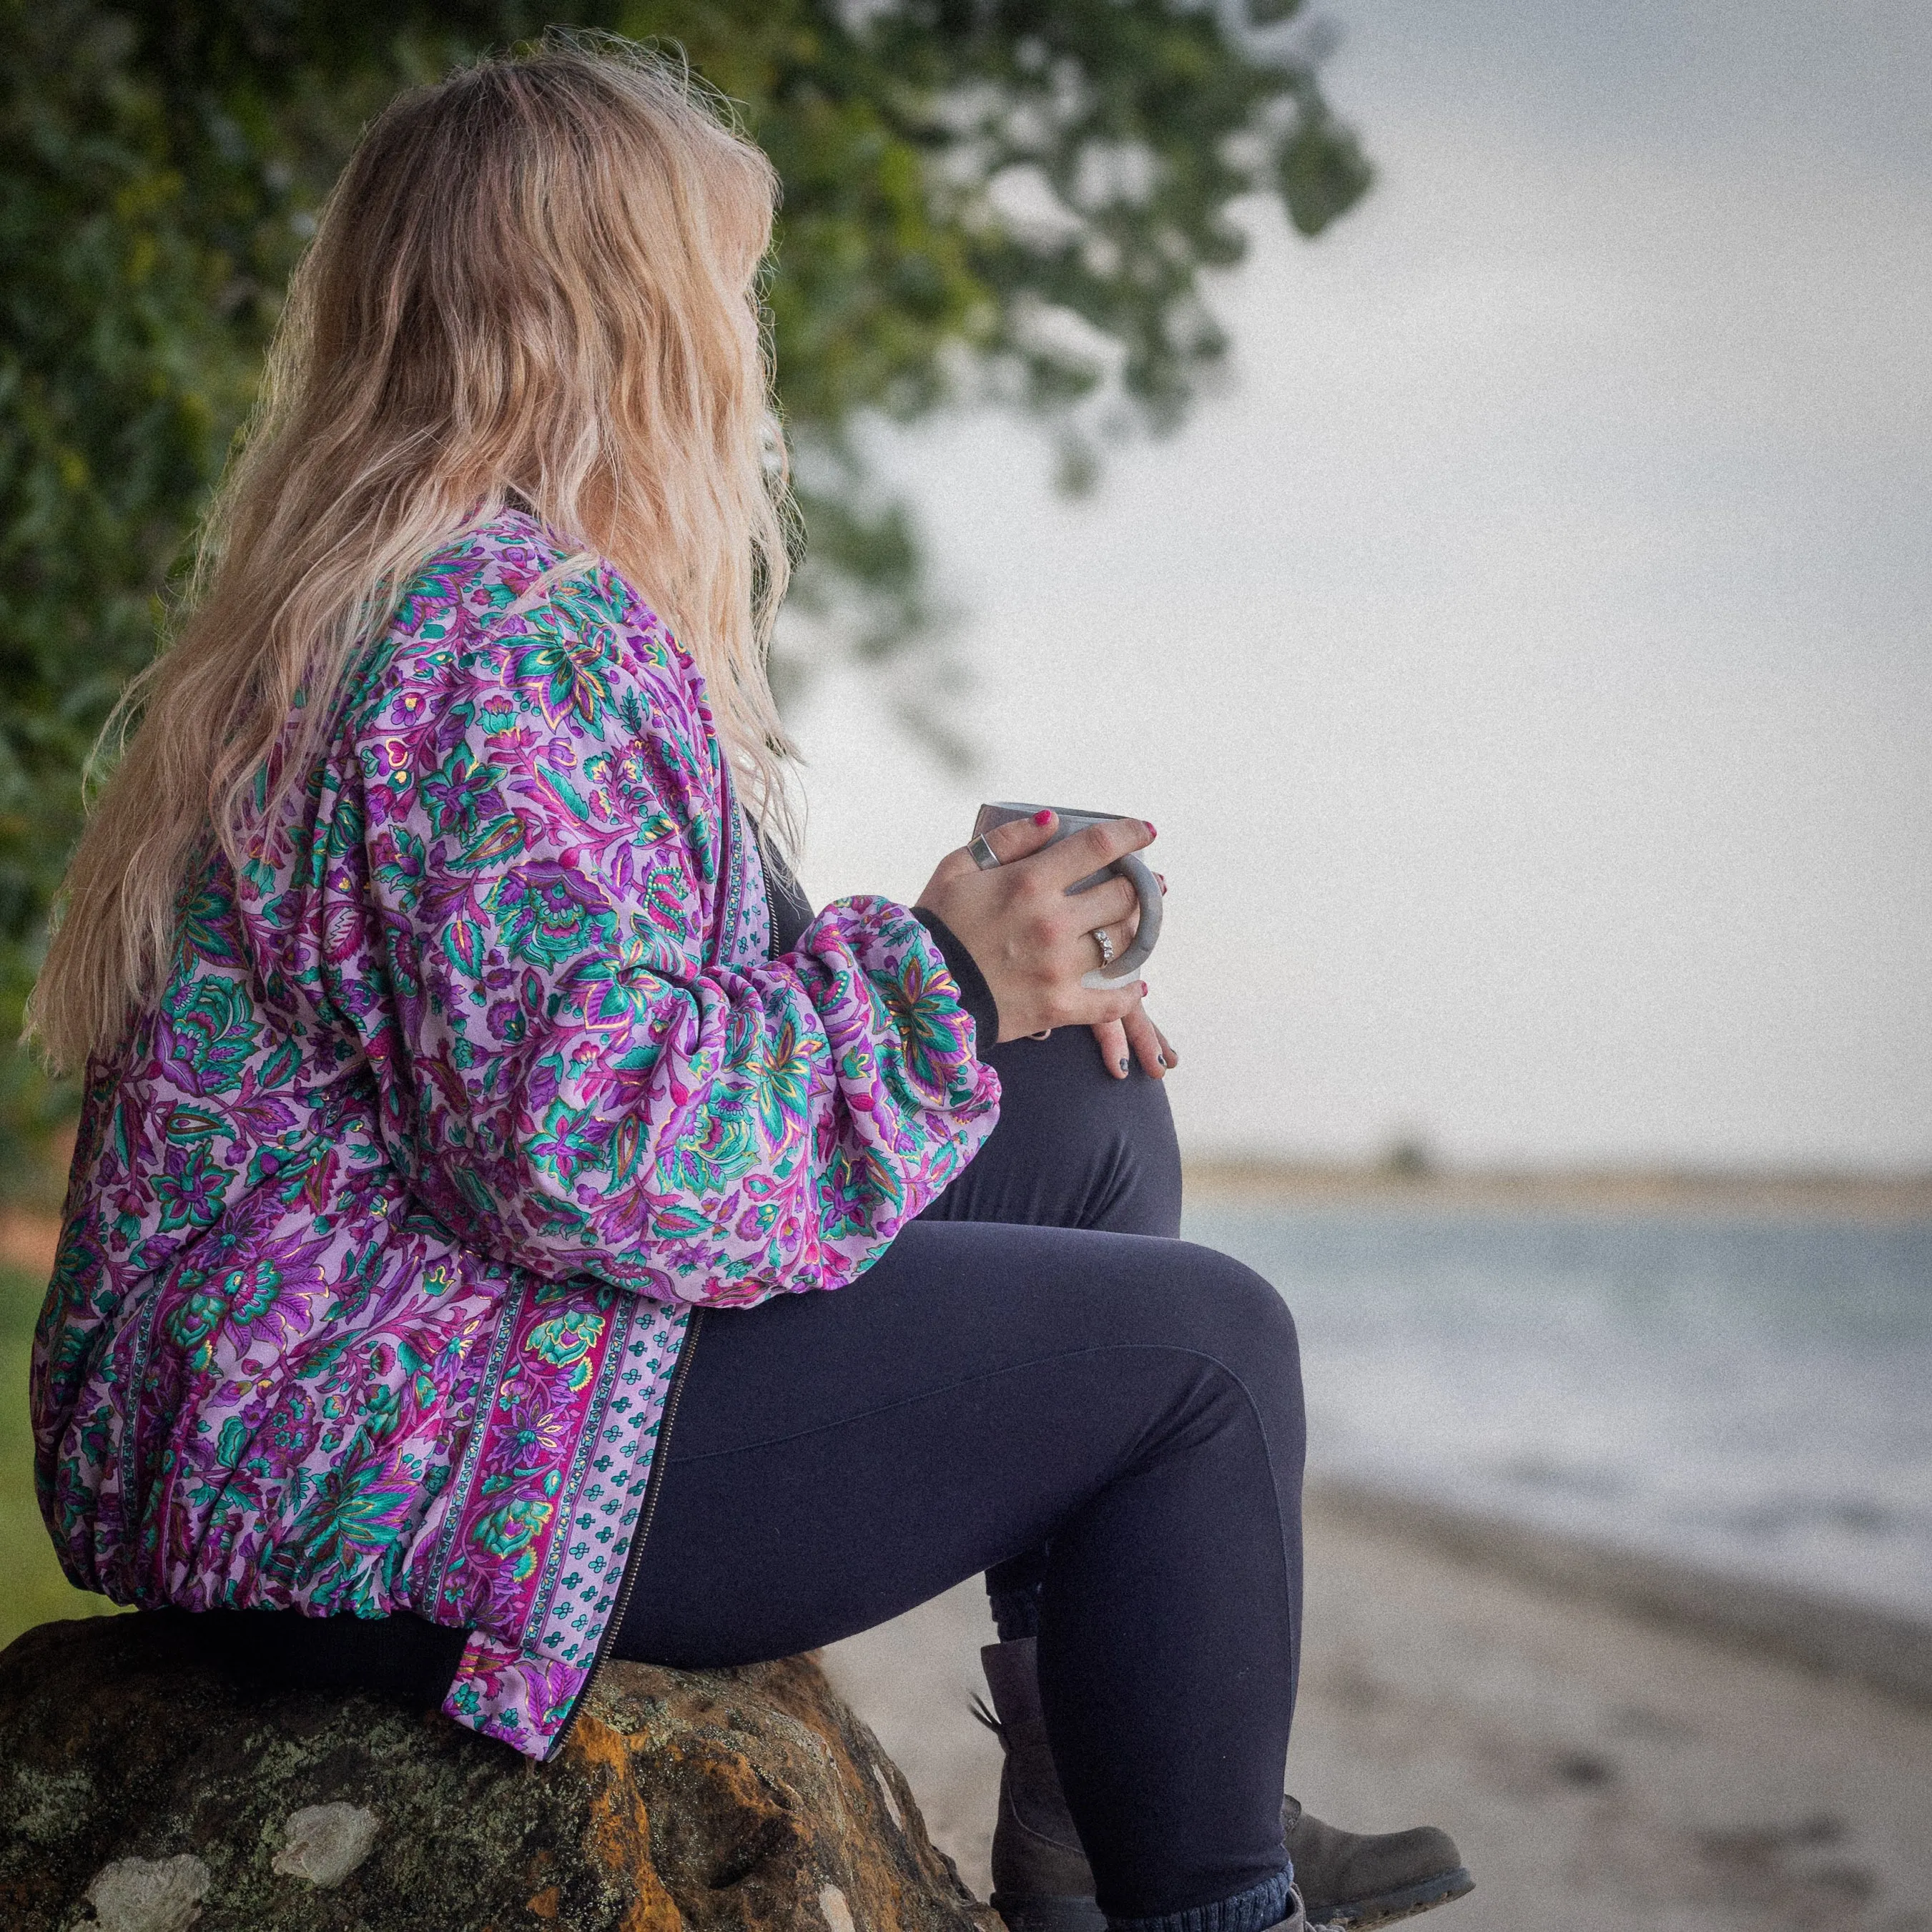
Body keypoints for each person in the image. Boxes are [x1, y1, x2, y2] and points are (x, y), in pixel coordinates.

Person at [26, 40, 1472, 1932]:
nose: (750, 355)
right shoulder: (491, 635)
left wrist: (988, 988)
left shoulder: (464, 602)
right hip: (370, 1456)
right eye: (730, 294)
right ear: (618, 322)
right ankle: (1207, 1901)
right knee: (1206, 1350)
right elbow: (580, 1144)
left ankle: (1104, 1812)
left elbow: (624, 1007)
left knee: (1080, 1109)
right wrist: (945, 974)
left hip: (375, 1379)